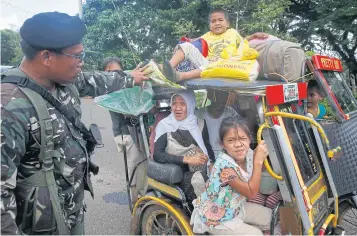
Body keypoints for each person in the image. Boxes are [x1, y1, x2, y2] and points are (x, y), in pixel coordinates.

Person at [1, 12, 149, 235]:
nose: (82, 62)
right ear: (46, 57)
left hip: (68, 215)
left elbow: (98, 80)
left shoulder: (63, 81)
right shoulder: (10, 108)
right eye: (77, 56)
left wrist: (132, 77)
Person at [190, 116, 272, 235]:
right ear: (222, 144)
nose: (238, 144)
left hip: (235, 207)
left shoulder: (248, 154)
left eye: (242, 138)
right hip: (217, 218)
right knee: (256, 234)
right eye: (231, 140)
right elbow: (251, 193)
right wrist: (258, 161)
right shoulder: (225, 168)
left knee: (272, 217)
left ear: (250, 139)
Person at [162, 8, 268, 82]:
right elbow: (194, 41)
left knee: (208, 66)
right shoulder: (208, 35)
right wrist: (182, 44)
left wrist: (253, 35)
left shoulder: (232, 33)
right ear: (210, 26)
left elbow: (243, 41)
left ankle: (180, 76)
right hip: (208, 62)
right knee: (187, 47)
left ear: (227, 24)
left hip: (225, 64)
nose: (217, 23)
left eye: (220, 20)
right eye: (213, 21)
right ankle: (166, 68)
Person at [153, 90, 215, 202]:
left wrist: (212, 164)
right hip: (177, 174)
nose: (177, 108)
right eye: (174, 103)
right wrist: (187, 159)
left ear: (190, 105)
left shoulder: (200, 123)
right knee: (199, 180)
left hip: (202, 170)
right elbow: (157, 155)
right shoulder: (165, 125)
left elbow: (207, 146)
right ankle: (203, 212)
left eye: (182, 103)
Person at [102, 57, 146, 201]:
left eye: (117, 71)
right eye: (109, 71)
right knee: (133, 166)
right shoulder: (108, 92)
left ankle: (144, 194)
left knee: (145, 163)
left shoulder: (129, 84)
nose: (113, 74)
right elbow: (121, 115)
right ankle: (135, 201)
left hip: (141, 131)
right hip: (126, 134)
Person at [196, 89, 241, 160]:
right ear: (211, 97)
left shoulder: (230, 112)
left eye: (223, 100)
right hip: (206, 154)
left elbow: (241, 126)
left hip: (228, 153)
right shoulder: (199, 114)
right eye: (218, 98)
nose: (221, 101)